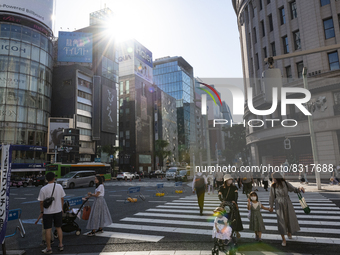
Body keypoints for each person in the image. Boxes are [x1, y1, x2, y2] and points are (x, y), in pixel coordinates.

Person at [269, 172, 305, 247]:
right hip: (279, 204)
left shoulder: (285, 183)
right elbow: (271, 197)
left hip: (287, 202)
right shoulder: (273, 186)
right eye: (273, 178)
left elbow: (293, 189)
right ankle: (283, 239)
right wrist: (271, 206)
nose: (273, 179)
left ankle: (289, 232)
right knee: (281, 221)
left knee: (289, 218)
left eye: (274, 178)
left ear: (278, 178)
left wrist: (300, 189)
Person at [37, 172, 65, 254]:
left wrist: (42, 211)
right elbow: (62, 198)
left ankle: (49, 248)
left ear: (46, 179)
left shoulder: (43, 189)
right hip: (58, 210)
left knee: (48, 230)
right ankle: (60, 245)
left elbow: (41, 202)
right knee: (59, 228)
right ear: (54, 178)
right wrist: (62, 208)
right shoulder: (59, 186)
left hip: (47, 212)